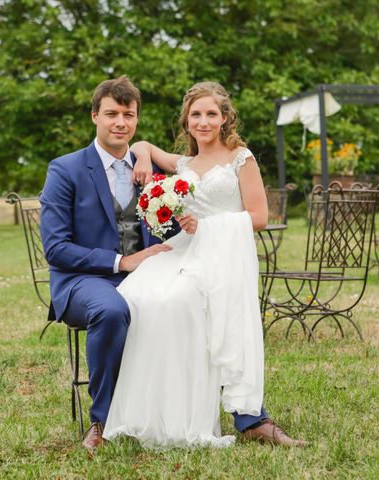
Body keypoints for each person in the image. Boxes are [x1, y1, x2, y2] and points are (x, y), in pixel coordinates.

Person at [102, 82, 308, 448]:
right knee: (140, 293)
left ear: (225, 118)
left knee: (179, 299)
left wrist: (207, 227)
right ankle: (159, 411)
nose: (203, 121)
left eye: (211, 113)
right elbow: (140, 146)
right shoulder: (184, 163)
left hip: (223, 253)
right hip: (184, 250)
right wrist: (146, 157)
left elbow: (259, 216)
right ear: (187, 121)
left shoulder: (240, 158)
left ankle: (251, 417)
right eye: (196, 114)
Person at [39, 76, 172, 450]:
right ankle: (102, 421)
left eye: (128, 115)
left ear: (136, 121)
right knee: (112, 310)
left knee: (186, 301)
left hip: (146, 277)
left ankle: (168, 411)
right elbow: (56, 248)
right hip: (82, 281)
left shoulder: (151, 174)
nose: (120, 122)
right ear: (95, 116)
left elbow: (166, 225)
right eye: (111, 113)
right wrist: (121, 261)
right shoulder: (65, 170)